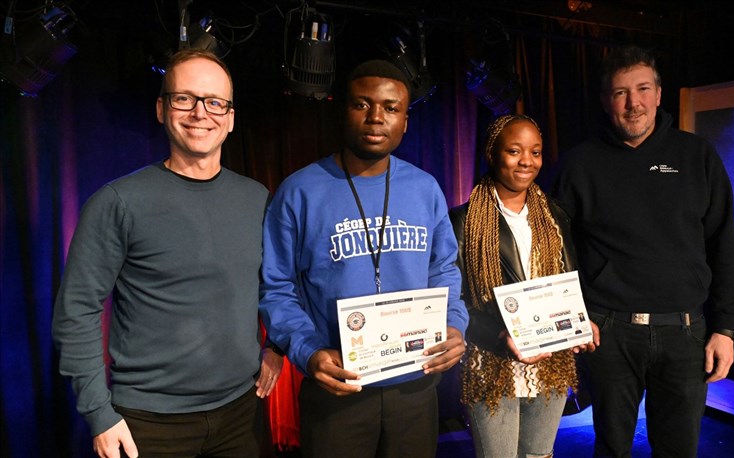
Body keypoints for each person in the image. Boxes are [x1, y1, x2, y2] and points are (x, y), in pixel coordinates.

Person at [52, 49, 282, 458]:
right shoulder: (118, 202)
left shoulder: (256, 198)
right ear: (161, 109)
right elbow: (77, 310)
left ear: (230, 118)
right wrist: (99, 414)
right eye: (184, 98)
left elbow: (274, 287)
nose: (200, 113)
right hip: (147, 424)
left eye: (215, 102)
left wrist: (277, 346)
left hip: (241, 413)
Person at [258, 59, 469, 458]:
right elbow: (276, 287)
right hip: (338, 387)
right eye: (362, 104)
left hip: (415, 385)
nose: (376, 118)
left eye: (391, 108)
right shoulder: (299, 191)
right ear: (343, 110)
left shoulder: (425, 189)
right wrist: (307, 352)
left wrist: (454, 324)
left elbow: (443, 269)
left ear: (405, 121)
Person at [550, 45, 734, 457]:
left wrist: (725, 329)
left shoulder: (698, 156)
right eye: (620, 92)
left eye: (642, 89)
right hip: (608, 332)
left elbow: (724, 244)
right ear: (606, 101)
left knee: (678, 451)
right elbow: (554, 250)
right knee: (611, 449)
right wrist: (573, 315)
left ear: (658, 94)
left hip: (685, 334)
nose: (633, 103)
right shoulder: (579, 164)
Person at [449, 114, 586, 458]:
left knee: (539, 455)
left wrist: (581, 321)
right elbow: (454, 302)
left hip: (551, 360)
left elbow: (569, 281)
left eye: (535, 152)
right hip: (491, 361)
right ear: (492, 154)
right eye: (514, 151)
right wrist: (500, 335)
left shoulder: (554, 216)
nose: (527, 161)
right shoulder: (462, 221)